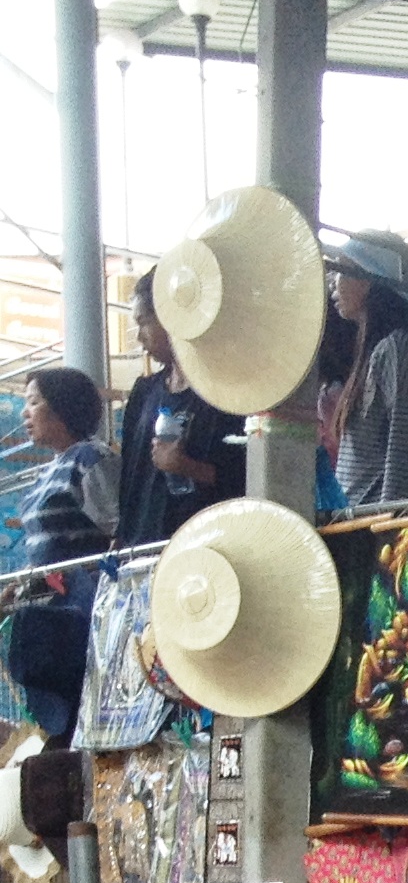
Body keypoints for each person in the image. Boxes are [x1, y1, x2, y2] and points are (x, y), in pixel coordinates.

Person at [5, 367, 117, 742]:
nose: (25, 413)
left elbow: (117, 530)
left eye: (33, 402)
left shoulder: (89, 459)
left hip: (84, 616)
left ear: (61, 408)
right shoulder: (43, 476)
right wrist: (18, 593)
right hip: (51, 616)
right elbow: (47, 565)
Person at [325, 234, 408, 507]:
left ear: (368, 278)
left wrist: (389, 538)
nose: (333, 284)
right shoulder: (382, 350)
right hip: (367, 532)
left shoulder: (402, 349)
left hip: (387, 541)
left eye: (340, 271)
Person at [116, 269, 246, 548]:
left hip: (203, 547)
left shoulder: (226, 393)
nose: (140, 337)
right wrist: (121, 533)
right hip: (139, 546)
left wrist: (187, 467)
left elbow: (245, 477)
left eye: (144, 322)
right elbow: (130, 476)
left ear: (172, 318)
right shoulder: (144, 392)